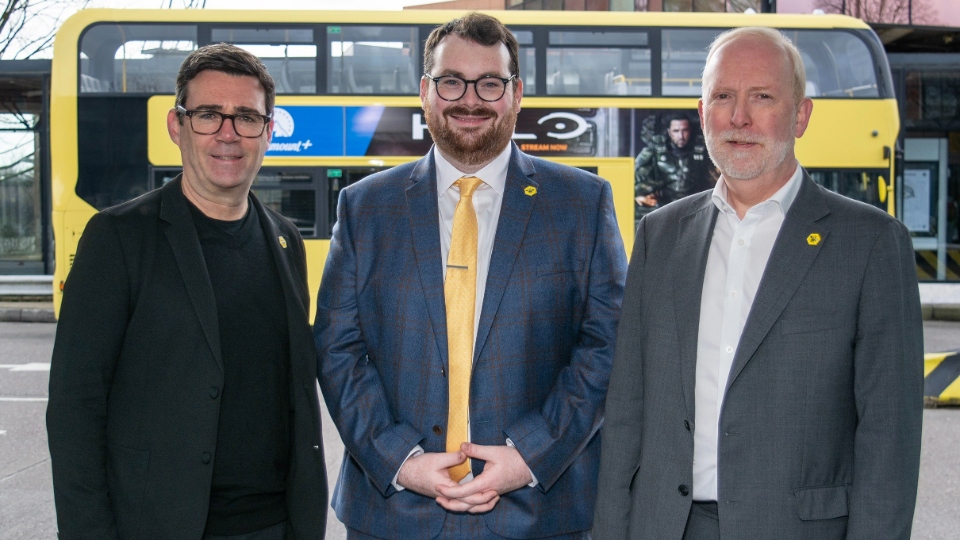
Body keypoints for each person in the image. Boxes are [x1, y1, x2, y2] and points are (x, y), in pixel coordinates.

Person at [593, 27, 923, 540]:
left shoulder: (872, 245)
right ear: (702, 115)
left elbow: (889, 440)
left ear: (801, 115)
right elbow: (627, 414)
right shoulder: (660, 235)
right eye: (722, 96)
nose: (738, 117)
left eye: (762, 97)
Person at [315, 12, 627, 540]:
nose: (470, 99)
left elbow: (607, 344)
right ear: (425, 91)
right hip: (393, 514)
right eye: (451, 81)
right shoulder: (366, 207)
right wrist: (401, 461)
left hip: (538, 513)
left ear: (517, 93)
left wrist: (530, 455)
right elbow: (337, 348)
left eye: (490, 83)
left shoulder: (581, 203)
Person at [46, 44, 327, 539]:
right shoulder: (118, 238)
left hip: (276, 526)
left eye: (246, 117)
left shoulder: (287, 241)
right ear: (177, 126)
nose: (228, 134)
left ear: (268, 130)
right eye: (208, 115)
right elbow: (75, 408)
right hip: (160, 526)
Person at [634, 114, 714, 211]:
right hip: (663, 207)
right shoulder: (655, 152)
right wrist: (642, 195)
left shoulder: (703, 153)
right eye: (676, 131)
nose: (681, 136)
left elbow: (716, 180)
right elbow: (634, 181)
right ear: (669, 132)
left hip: (696, 207)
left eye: (685, 130)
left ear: (690, 131)